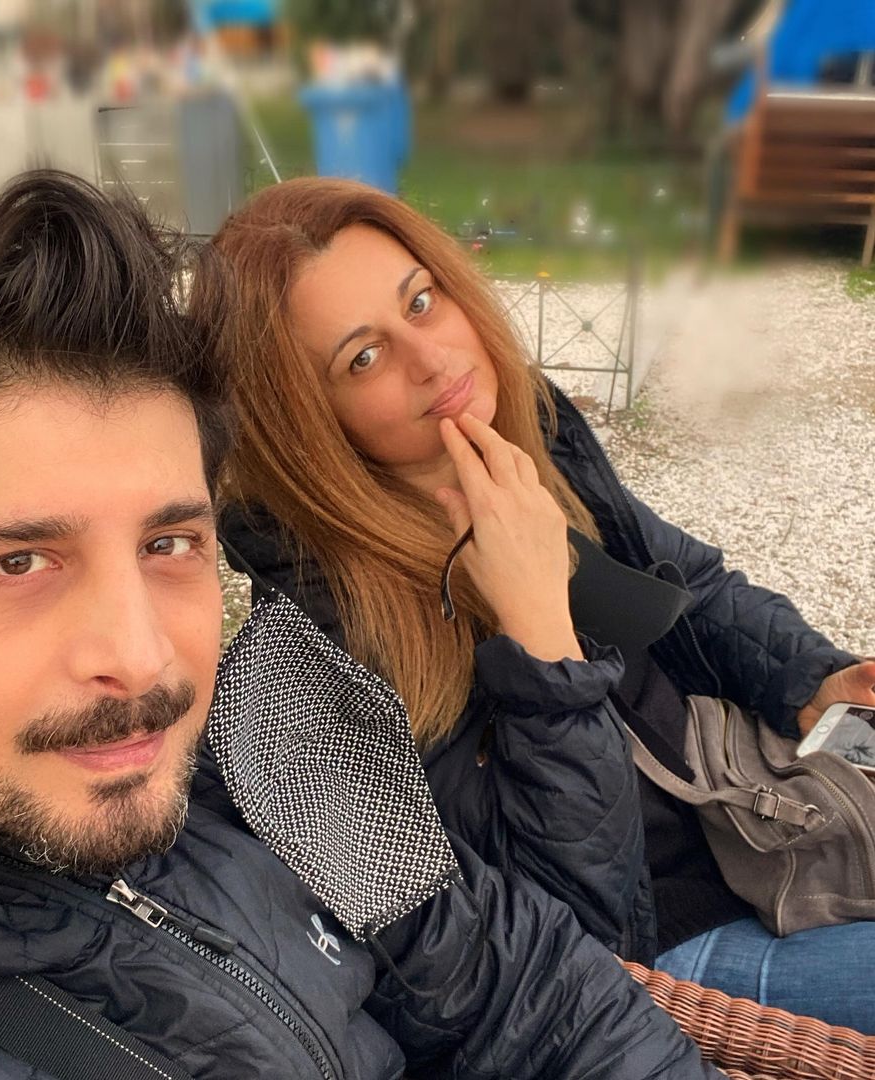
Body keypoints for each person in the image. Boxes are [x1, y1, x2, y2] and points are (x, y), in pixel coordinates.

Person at [0, 170, 722, 1079]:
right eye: (19, 563)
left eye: (168, 545)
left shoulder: (264, 759)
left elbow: (535, 990)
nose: (144, 660)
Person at [203, 176, 875, 1031]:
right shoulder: (328, 641)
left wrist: (809, 679)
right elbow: (562, 935)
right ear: (303, 420)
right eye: (362, 358)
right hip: (672, 940)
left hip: (749, 801)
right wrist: (540, 642)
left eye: (421, 302)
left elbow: (688, 587)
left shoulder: (528, 432)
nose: (433, 360)